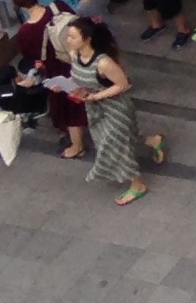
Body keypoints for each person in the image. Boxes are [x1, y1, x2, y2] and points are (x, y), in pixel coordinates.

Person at [66, 17, 163, 205]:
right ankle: (153, 141)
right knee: (122, 139)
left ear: (87, 39)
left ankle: (137, 184)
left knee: (114, 144)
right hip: (94, 109)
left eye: (72, 36)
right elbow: (78, 78)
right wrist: (67, 86)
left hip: (115, 109)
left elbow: (123, 84)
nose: (68, 40)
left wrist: (96, 96)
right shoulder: (74, 55)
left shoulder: (103, 63)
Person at [9, 0, 84, 161]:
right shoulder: (58, 6)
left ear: (17, 5)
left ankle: (77, 145)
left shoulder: (25, 32)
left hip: (56, 71)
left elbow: (32, 57)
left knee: (69, 105)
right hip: (80, 59)